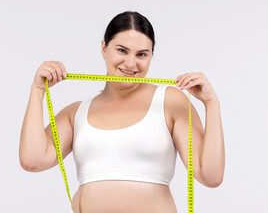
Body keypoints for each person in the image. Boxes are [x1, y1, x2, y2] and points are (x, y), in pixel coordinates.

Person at [19, 11, 225, 213]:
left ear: (152, 55)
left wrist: (211, 103)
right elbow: (33, 160)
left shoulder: (169, 101)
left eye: (142, 54)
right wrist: (37, 90)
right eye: (122, 50)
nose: (130, 63)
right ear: (104, 48)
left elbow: (211, 176)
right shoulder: (76, 113)